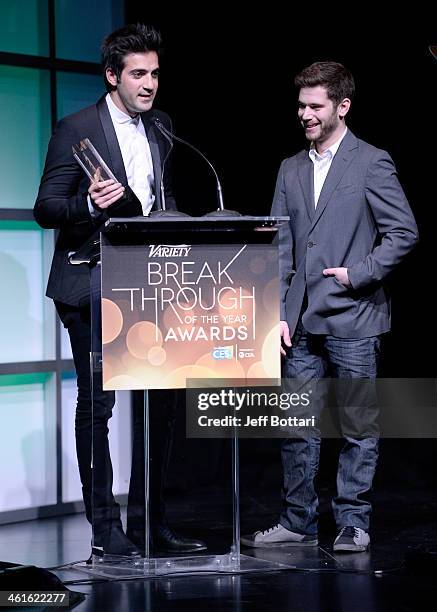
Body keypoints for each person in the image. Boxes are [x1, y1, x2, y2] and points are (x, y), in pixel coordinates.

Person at [34, 23, 205, 557]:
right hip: (90, 282)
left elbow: (163, 198)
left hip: (149, 281)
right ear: (113, 76)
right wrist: (89, 204)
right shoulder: (76, 128)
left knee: (161, 407)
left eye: (154, 73)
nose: (149, 84)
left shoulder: (164, 127)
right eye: (138, 74)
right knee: (99, 407)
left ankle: (151, 524)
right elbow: (46, 207)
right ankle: (106, 530)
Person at [241, 61, 418, 552]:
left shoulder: (371, 161)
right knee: (298, 426)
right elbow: (279, 243)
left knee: (357, 424)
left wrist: (357, 273)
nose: (305, 114)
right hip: (299, 320)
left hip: (354, 315)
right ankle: (297, 520)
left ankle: (354, 522)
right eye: (301, 105)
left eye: (315, 105)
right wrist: (276, 309)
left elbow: (404, 232)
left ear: (342, 106)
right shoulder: (290, 167)